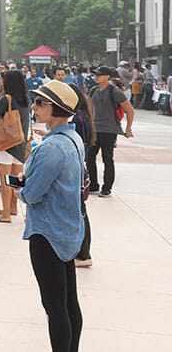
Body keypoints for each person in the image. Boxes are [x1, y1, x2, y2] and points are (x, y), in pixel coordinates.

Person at [18, 80, 86, 352]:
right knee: (68, 302)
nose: (34, 107)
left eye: (39, 103)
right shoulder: (72, 139)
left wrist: (21, 184)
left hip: (47, 232)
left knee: (54, 305)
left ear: (54, 109)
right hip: (68, 229)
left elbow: (32, 193)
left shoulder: (51, 147)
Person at [0, 69, 31, 224]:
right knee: (16, 181)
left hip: (6, 144)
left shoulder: (6, 99)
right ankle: (14, 209)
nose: (0, 82)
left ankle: (5, 214)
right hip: (20, 144)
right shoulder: (26, 99)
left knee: (5, 180)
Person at [87, 65, 134, 198]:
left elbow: (129, 110)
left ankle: (107, 188)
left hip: (109, 130)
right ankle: (93, 185)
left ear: (107, 77)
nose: (96, 77)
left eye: (99, 75)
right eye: (95, 75)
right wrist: (89, 125)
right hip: (95, 130)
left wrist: (128, 128)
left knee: (107, 158)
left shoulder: (115, 92)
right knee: (90, 158)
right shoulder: (93, 90)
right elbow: (90, 109)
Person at [67, 84, 95, 268]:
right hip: (78, 169)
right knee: (80, 211)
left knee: (79, 212)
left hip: (74, 170)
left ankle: (84, 254)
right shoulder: (82, 117)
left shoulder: (76, 120)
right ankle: (83, 253)